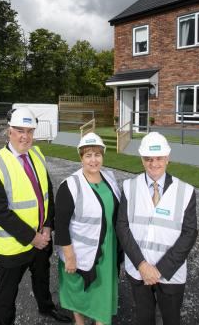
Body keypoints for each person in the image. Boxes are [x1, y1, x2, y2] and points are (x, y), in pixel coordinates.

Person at [0, 107, 71, 325]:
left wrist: (48, 226)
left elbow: (47, 192)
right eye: (20, 130)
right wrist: (33, 237)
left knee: (42, 277)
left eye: (30, 131)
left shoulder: (37, 154)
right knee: (7, 292)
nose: (25, 136)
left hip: (42, 237)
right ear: (9, 131)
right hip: (14, 245)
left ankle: (46, 308)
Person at [116, 132, 197, 325]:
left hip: (170, 273)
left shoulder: (185, 191)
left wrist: (159, 270)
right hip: (139, 271)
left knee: (171, 320)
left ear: (167, 158)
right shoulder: (129, 186)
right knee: (144, 319)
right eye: (148, 159)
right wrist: (143, 266)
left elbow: (189, 233)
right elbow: (122, 226)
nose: (154, 164)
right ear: (142, 159)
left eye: (159, 158)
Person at [54, 132, 121, 325]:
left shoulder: (109, 178)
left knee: (101, 293)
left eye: (97, 155)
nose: (94, 160)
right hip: (80, 252)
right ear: (81, 157)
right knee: (79, 292)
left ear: (103, 156)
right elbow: (61, 224)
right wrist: (70, 256)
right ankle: (80, 322)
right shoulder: (70, 185)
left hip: (106, 250)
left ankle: (100, 321)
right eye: (88, 155)